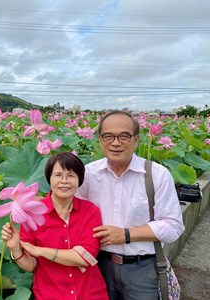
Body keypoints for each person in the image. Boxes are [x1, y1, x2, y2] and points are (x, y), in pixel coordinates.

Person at [76, 110, 185, 300]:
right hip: (96, 265)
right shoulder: (87, 174)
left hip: (141, 269)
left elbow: (173, 226)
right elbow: (72, 213)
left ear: (136, 139)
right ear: (100, 140)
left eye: (124, 136)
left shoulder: (157, 174)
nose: (115, 143)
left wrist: (126, 234)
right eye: (108, 136)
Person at [1, 152, 109, 300]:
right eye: (58, 175)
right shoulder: (32, 212)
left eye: (71, 176)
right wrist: (15, 249)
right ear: (49, 179)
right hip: (49, 294)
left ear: (79, 180)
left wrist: (40, 251)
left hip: (90, 293)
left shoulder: (90, 211)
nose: (64, 181)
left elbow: (85, 256)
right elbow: (30, 265)